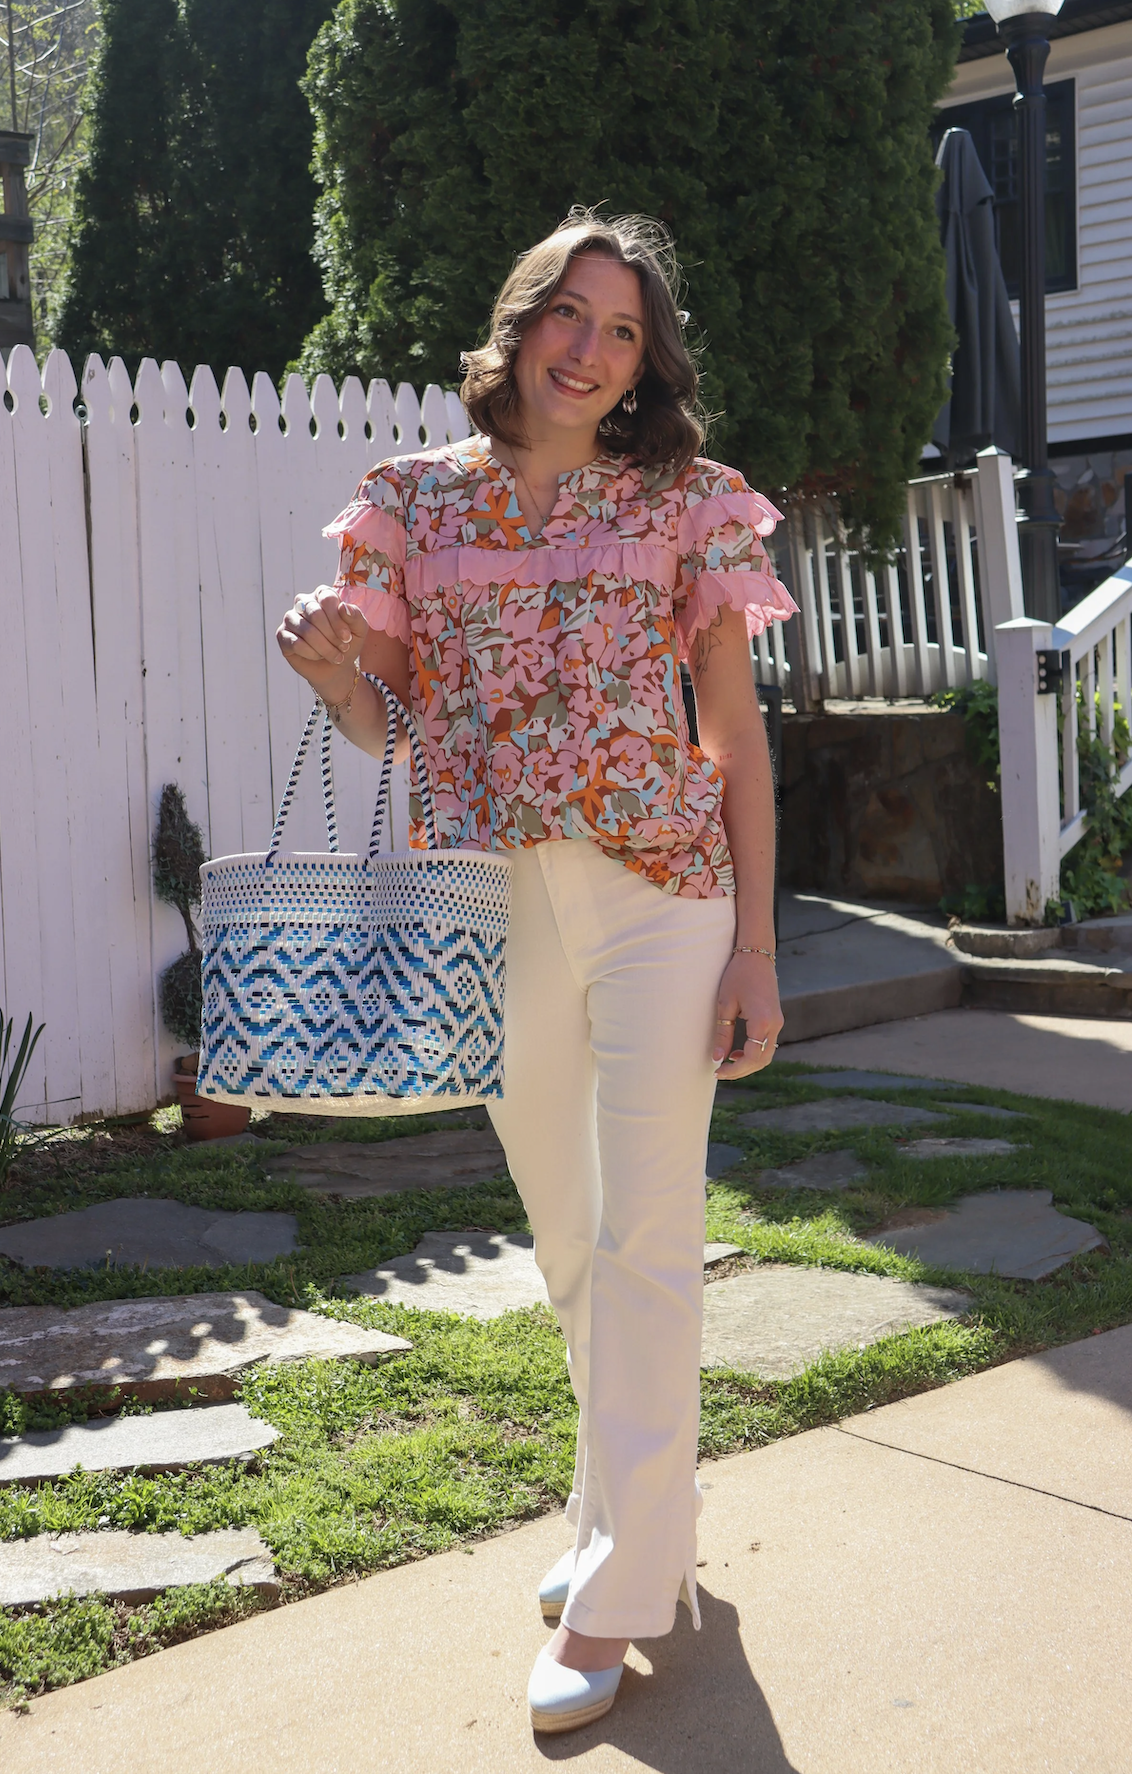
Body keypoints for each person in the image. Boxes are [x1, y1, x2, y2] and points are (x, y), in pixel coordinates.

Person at [276, 210, 796, 1735]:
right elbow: (397, 728)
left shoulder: (686, 504)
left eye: (623, 329)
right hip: (490, 899)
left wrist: (758, 945)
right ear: (519, 324)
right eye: (570, 313)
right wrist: (334, 674)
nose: (590, 347)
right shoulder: (414, 506)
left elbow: (736, 740)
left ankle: (623, 1591)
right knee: (571, 1239)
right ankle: (633, 1513)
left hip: (662, 895)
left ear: (646, 364)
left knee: (647, 1232)